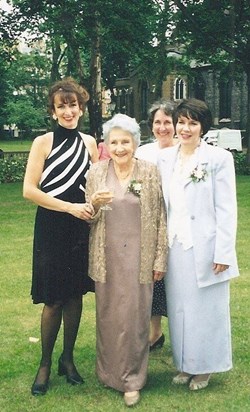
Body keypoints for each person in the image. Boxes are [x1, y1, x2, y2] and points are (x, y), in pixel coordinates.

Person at [23, 77, 98, 396]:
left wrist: (96, 204)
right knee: (53, 299)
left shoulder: (91, 142)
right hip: (53, 227)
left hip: (80, 228)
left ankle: (67, 360)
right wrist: (69, 207)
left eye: (73, 105)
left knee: (75, 296)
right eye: (61, 106)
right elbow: (28, 190)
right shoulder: (43, 142)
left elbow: (94, 184)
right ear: (53, 112)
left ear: (81, 108)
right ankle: (45, 363)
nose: (68, 111)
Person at [86, 113, 167, 407]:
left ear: (135, 142)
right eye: (114, 142)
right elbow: (89, 217)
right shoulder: (96, 172)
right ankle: (108, 373)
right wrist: (93, 204)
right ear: (106, 144)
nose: (120, 147)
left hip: (139, 256)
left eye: (125, 141)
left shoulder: (148, 171)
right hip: (106, 255)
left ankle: (132, 380)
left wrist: (159, 258)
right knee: (108, 315)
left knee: (134, 317)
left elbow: (160, 216)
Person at [158, 98, 239, 391]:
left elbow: (227, 209)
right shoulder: (166, 158)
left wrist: (224, 252)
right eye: (181, 121)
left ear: (203, 126)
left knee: (206, 309)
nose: (185, 128)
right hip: (175, 245)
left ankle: (205, 368)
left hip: (206, 247)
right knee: (180, 309)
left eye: (193, 122)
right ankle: (185, 364)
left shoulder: (218, 159)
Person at [136, 99, 176, 351]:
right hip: (149, 227)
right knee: (154, 280)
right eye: (157, 122)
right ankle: (155, 332)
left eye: (168, 122)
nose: (162, 128)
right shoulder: (143, 153)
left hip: (177, 226)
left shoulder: (185, 150)